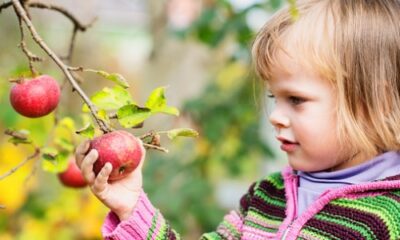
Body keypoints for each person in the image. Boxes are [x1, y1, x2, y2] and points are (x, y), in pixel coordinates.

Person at [75, 0, 400, 239]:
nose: (275, 116)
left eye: (296, 100)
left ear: (373, 100)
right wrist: (131, 207)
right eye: (275, 98)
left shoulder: (387, 218)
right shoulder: (266, 198)